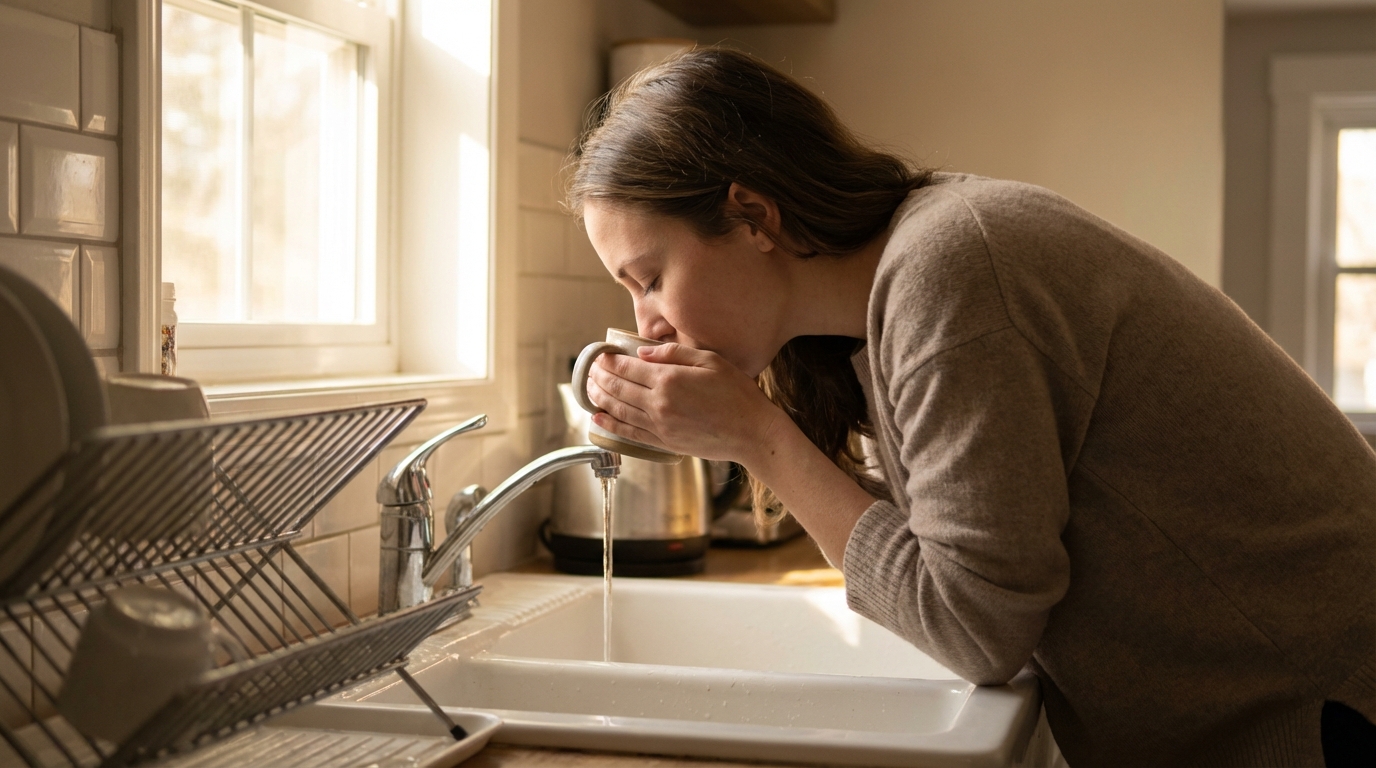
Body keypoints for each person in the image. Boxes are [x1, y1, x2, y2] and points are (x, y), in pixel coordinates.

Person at [566, 46, 1376, 767]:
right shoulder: (898, 290)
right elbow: (956, 559)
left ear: (753, 218)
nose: (649, 323)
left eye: (649, 277)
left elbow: (972, 628)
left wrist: (758, 437)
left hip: (1322, 719)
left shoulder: (952, 271)